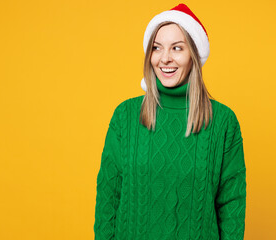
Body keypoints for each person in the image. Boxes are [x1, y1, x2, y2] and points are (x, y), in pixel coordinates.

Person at [94, 3, 246, 240]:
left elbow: (232, 206)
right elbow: (108, 196)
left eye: (177, 48)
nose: (165, 58)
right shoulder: (125, 116)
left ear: (193, 55)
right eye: (157, 48)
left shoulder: (223, 122)